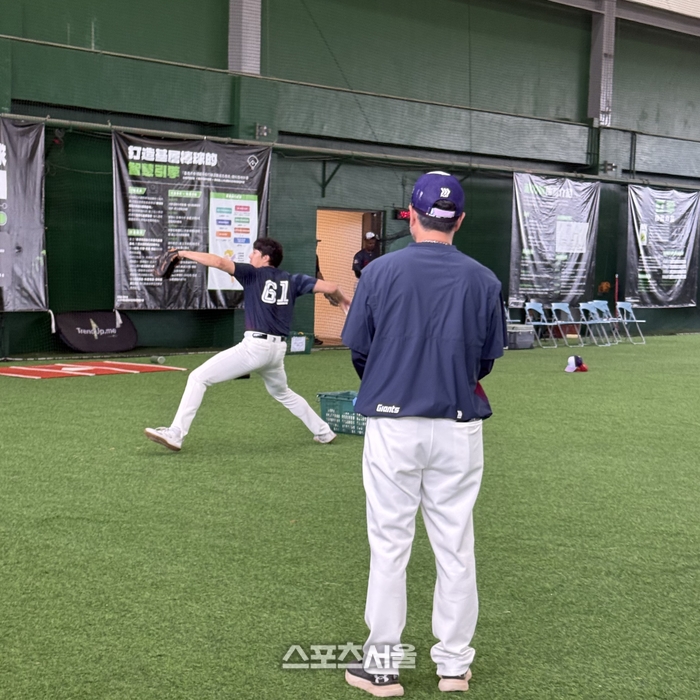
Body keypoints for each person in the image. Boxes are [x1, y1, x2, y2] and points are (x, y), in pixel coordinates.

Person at [341, 172, 506, 696]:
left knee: (390, 544)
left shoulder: (379, 271)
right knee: (455, 545)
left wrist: (393, 380)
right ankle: (453, 666)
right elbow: (486, 360)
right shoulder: (484, 279)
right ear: (460, 219)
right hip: (458, 425)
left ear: (410, 215)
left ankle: (381, 666)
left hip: (394, 423)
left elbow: (360, 350)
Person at [145, 237, 350, 451]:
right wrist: (342, 300)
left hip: (255, 348)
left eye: (254, 253)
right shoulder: (293, 279)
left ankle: (176, 434)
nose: (250, 256)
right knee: (283, 392)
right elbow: (332, 287)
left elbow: (219, 262)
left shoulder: (252, 274)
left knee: (198, 378)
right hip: (277, 351)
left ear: (266, 258)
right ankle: (324, 431)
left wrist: (182, 253)